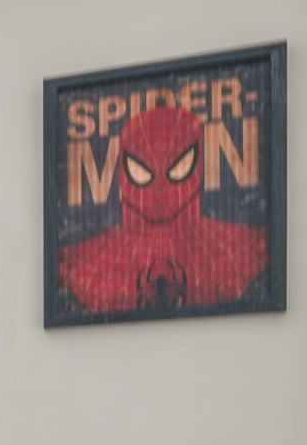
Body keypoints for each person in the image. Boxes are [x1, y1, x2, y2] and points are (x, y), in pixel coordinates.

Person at [58, 105, 267, 313]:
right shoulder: (78, 263)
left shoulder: (246, 247)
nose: (159, 190)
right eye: (141, 171)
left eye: (179, 167)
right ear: (122, 174)